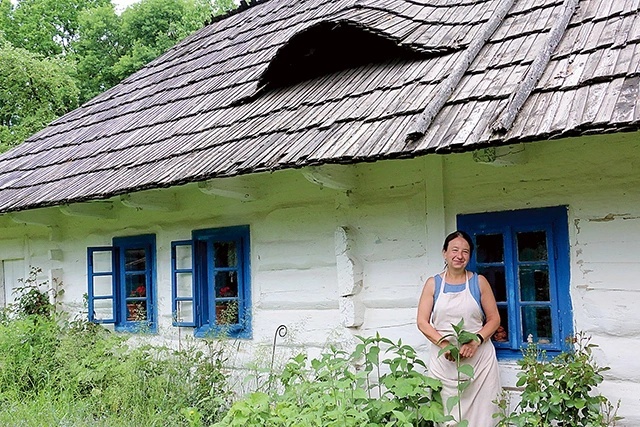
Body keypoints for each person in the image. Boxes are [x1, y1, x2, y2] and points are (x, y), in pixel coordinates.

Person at [417, 230, 501, 426]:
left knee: (484, 418)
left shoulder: (479, 282)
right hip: (443, 364)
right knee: (447, 417)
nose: (459, 255)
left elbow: (494, 319)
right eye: (454, 250)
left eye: (465, 251)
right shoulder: (433, 284)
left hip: (480, 364)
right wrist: (444, 344)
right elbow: (422, 321)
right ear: (444, 252)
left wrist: (475, 341)